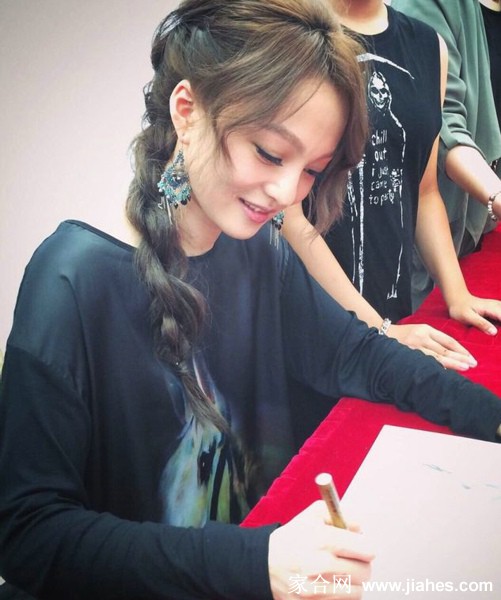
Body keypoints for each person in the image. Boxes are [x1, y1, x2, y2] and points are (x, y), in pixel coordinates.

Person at [1, 1, 501, 599]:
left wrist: (488, 415)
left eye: (312, 170)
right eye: (269, 153)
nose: (287, 192)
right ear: (187, 110)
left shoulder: (259, 248)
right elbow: (29, 533)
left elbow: (357, 353)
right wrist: (253, 562)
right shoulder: (72, 278)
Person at [283, 0, 501, 378]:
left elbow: (424, 189)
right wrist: (377, 329)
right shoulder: (296, 36)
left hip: (392, 305)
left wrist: (457, 293)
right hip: (312, 315)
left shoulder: (428, 46)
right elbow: (288, 214)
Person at [391, 0, 501, 307]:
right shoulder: (427, 12)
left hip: (480, 227)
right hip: (427, 234)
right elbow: (442, 124)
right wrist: (496, 195)